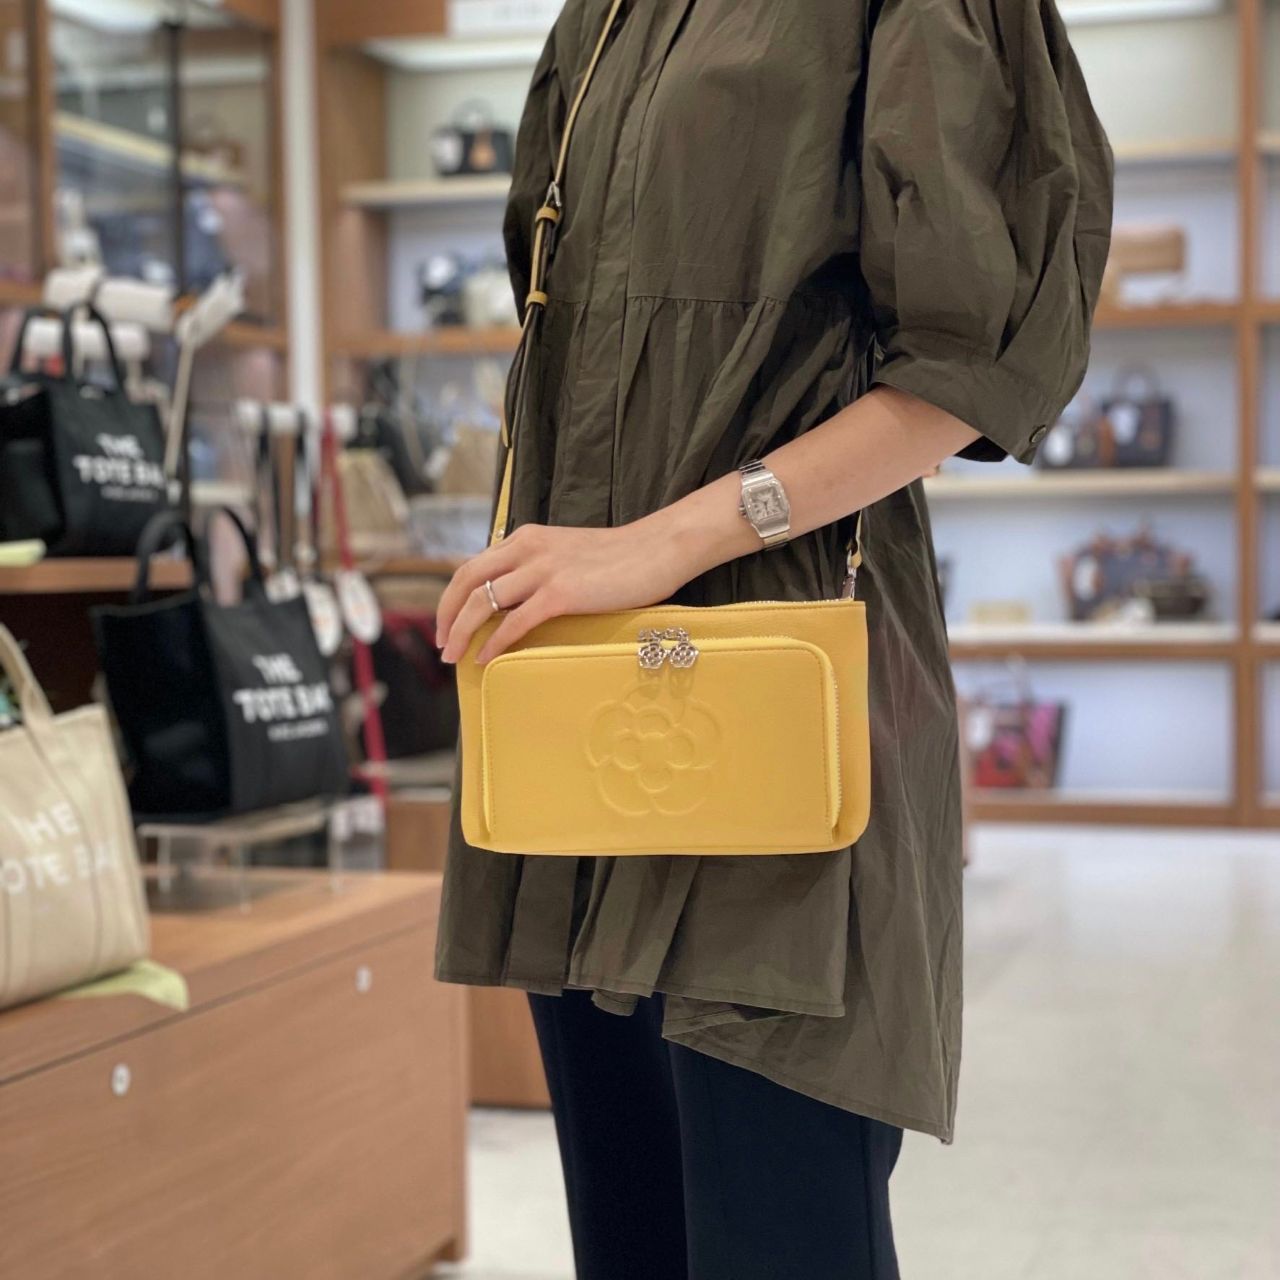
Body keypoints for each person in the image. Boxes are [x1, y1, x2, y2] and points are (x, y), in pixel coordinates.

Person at [434, 0, 1114, 1276]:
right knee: (629, 1229)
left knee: (778, 1225)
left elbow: (969, 372)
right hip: (577, 697)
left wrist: (660, 542)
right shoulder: (602, 16)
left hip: (779, 678)